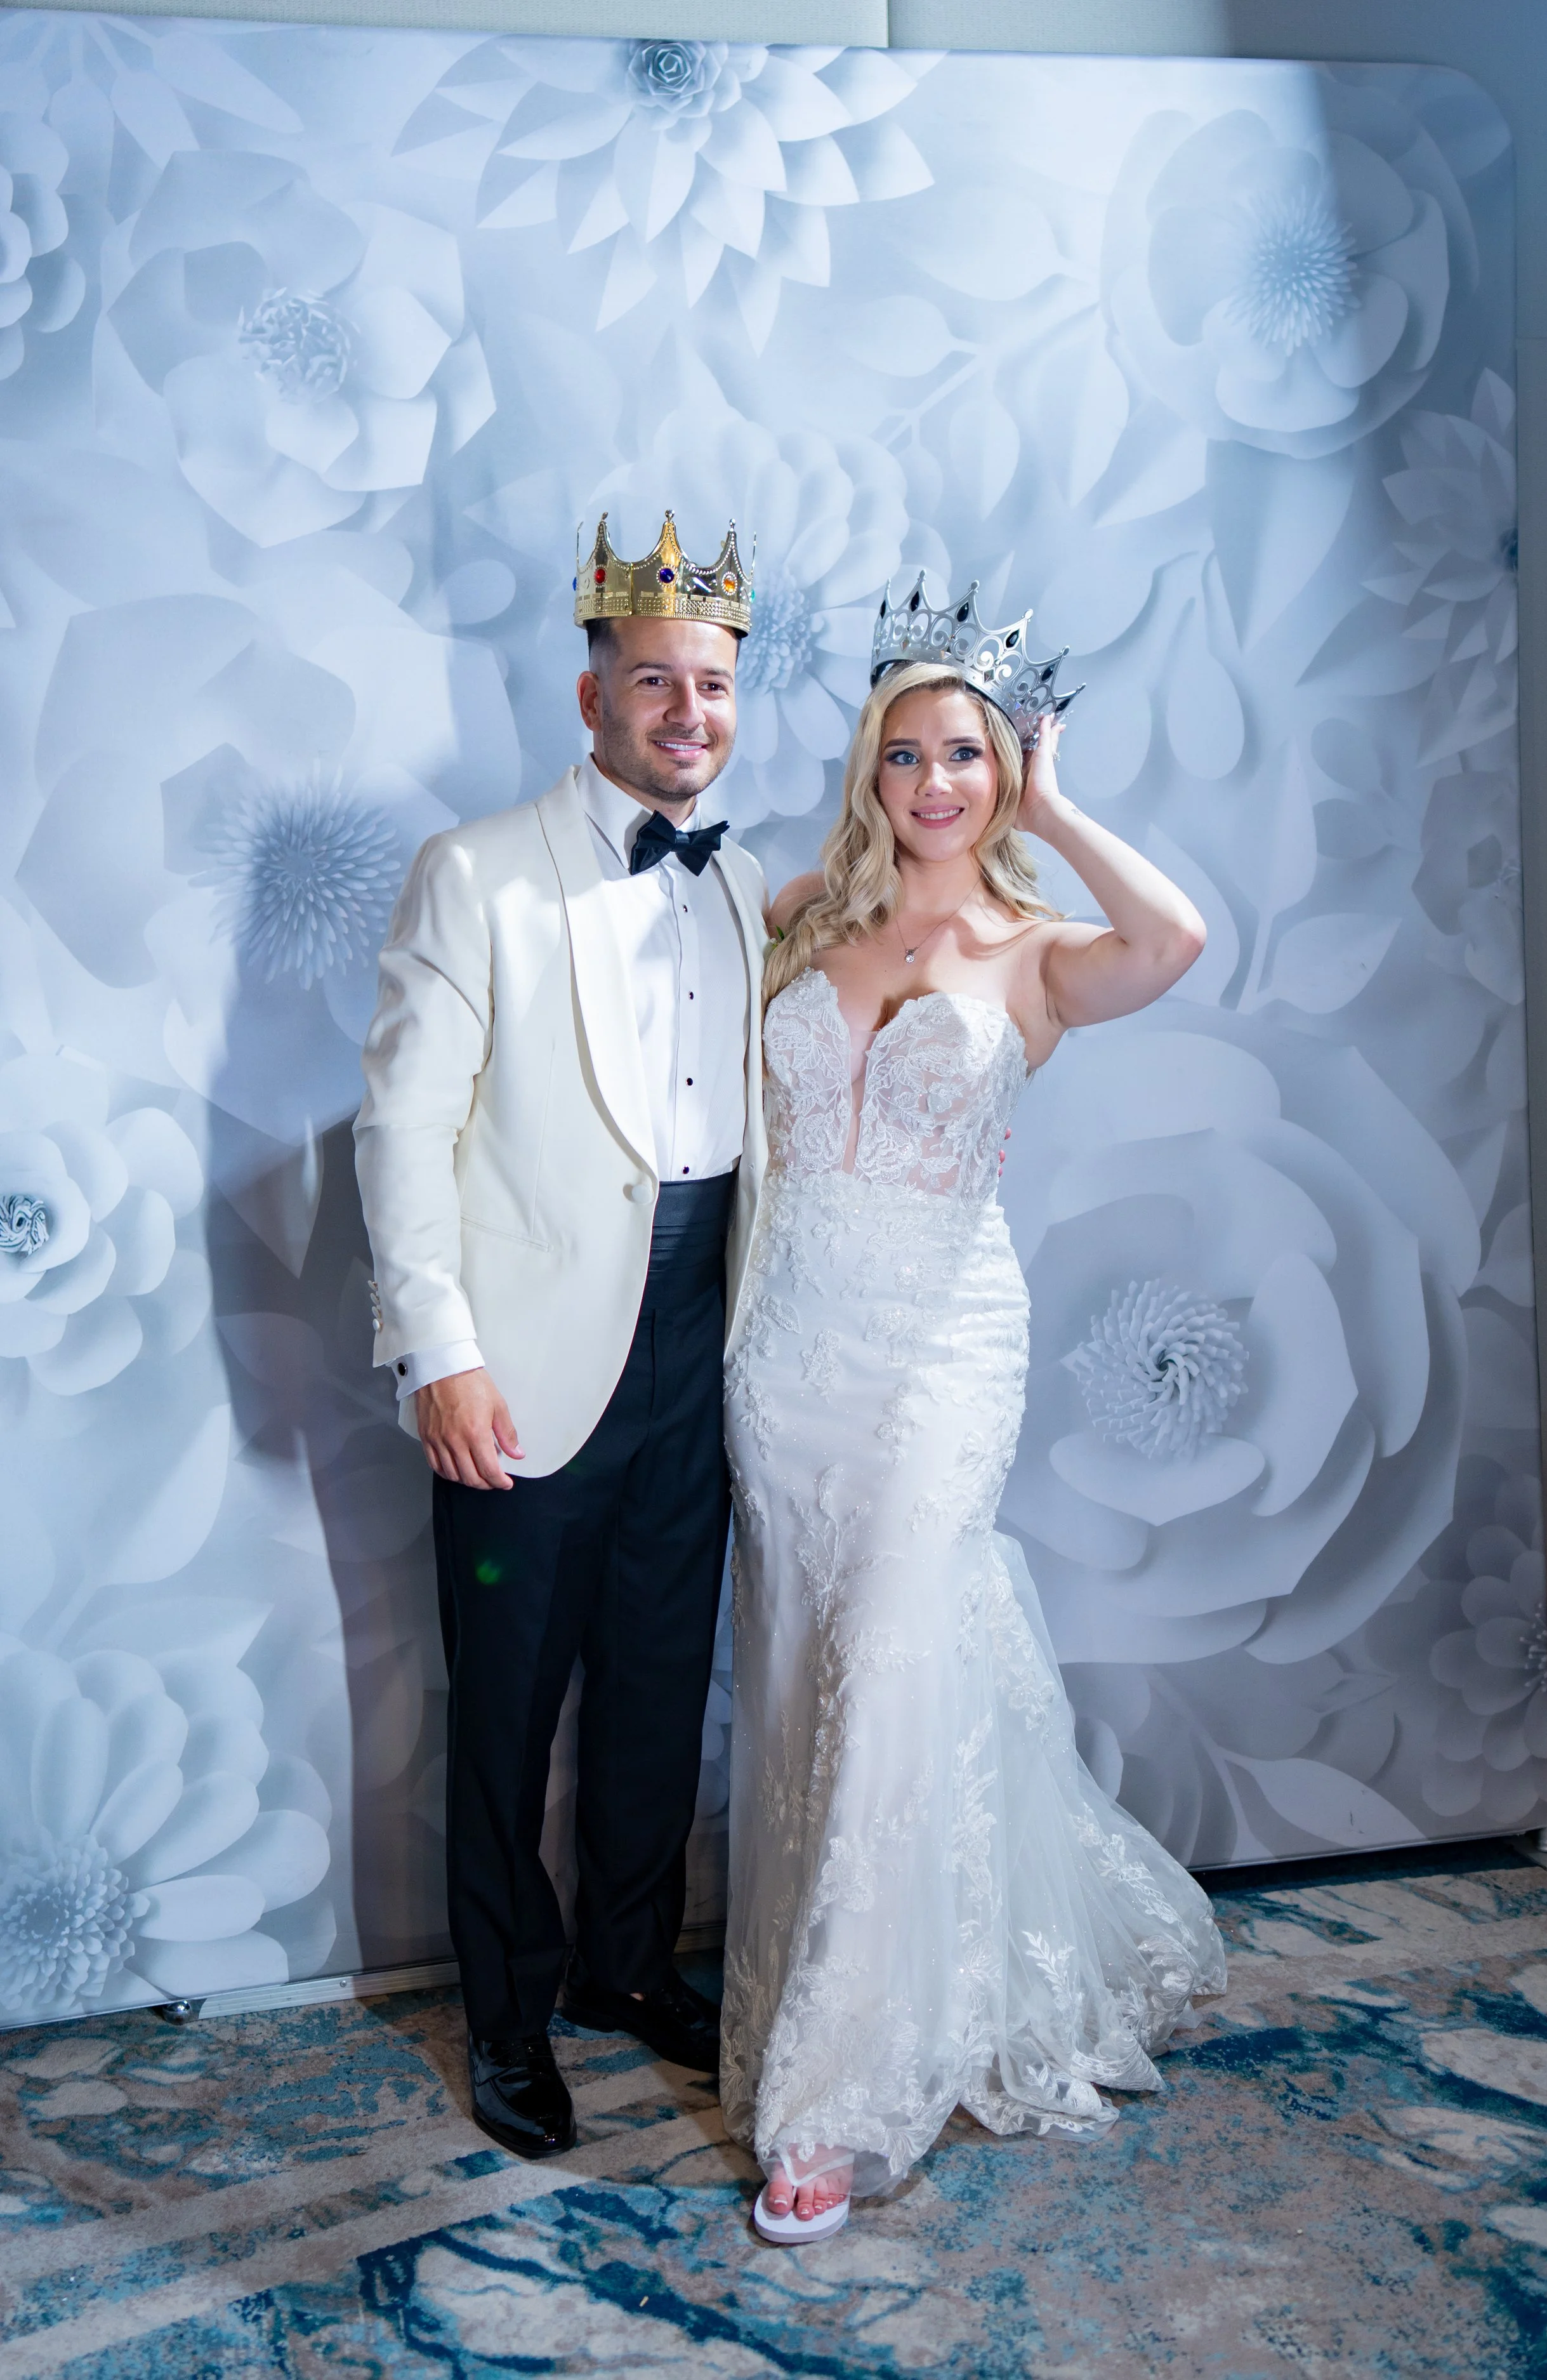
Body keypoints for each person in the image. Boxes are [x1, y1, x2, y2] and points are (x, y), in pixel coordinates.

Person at [721, 583, 1228, 2245]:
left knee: (888, 1666)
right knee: (813, 1671)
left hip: (943, 1344)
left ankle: (837, 2100)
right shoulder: (801, 919)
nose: (934, 782)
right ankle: (865, 1984)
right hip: (787, 1350)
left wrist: (1061, 798)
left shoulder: (1035, 951)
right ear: (869, 769)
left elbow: (1180, 940)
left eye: (966, 754)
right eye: (908, 754)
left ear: (997, 771)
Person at [355, 513, 767, 2160]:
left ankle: (622, 1963)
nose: (687, 710)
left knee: (663, 1689)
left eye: (714, 684)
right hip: (521, 1364)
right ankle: (511, 2014)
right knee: (509, 1707)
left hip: (694, 1343)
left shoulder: (740, 877)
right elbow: (403, 1128)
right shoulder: (478, 870)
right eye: (655, 678)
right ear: (590, 689)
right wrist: (438, 1350)